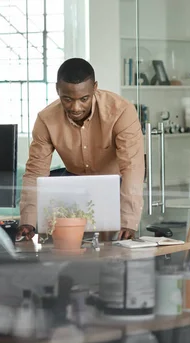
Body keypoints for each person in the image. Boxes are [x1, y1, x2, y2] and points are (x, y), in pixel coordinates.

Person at [17, 58, 144, 241]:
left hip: (116, 187)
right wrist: (28, 221)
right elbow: (35, 172)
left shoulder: (121, 111)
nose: (76, 107)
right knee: (66, 252)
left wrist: (128, 222)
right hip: (73, 187)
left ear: (95, 88)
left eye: (84, 99)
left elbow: (132, 168)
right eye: (67, 99)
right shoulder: (46, 119)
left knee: (113, 256)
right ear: (57, 90)